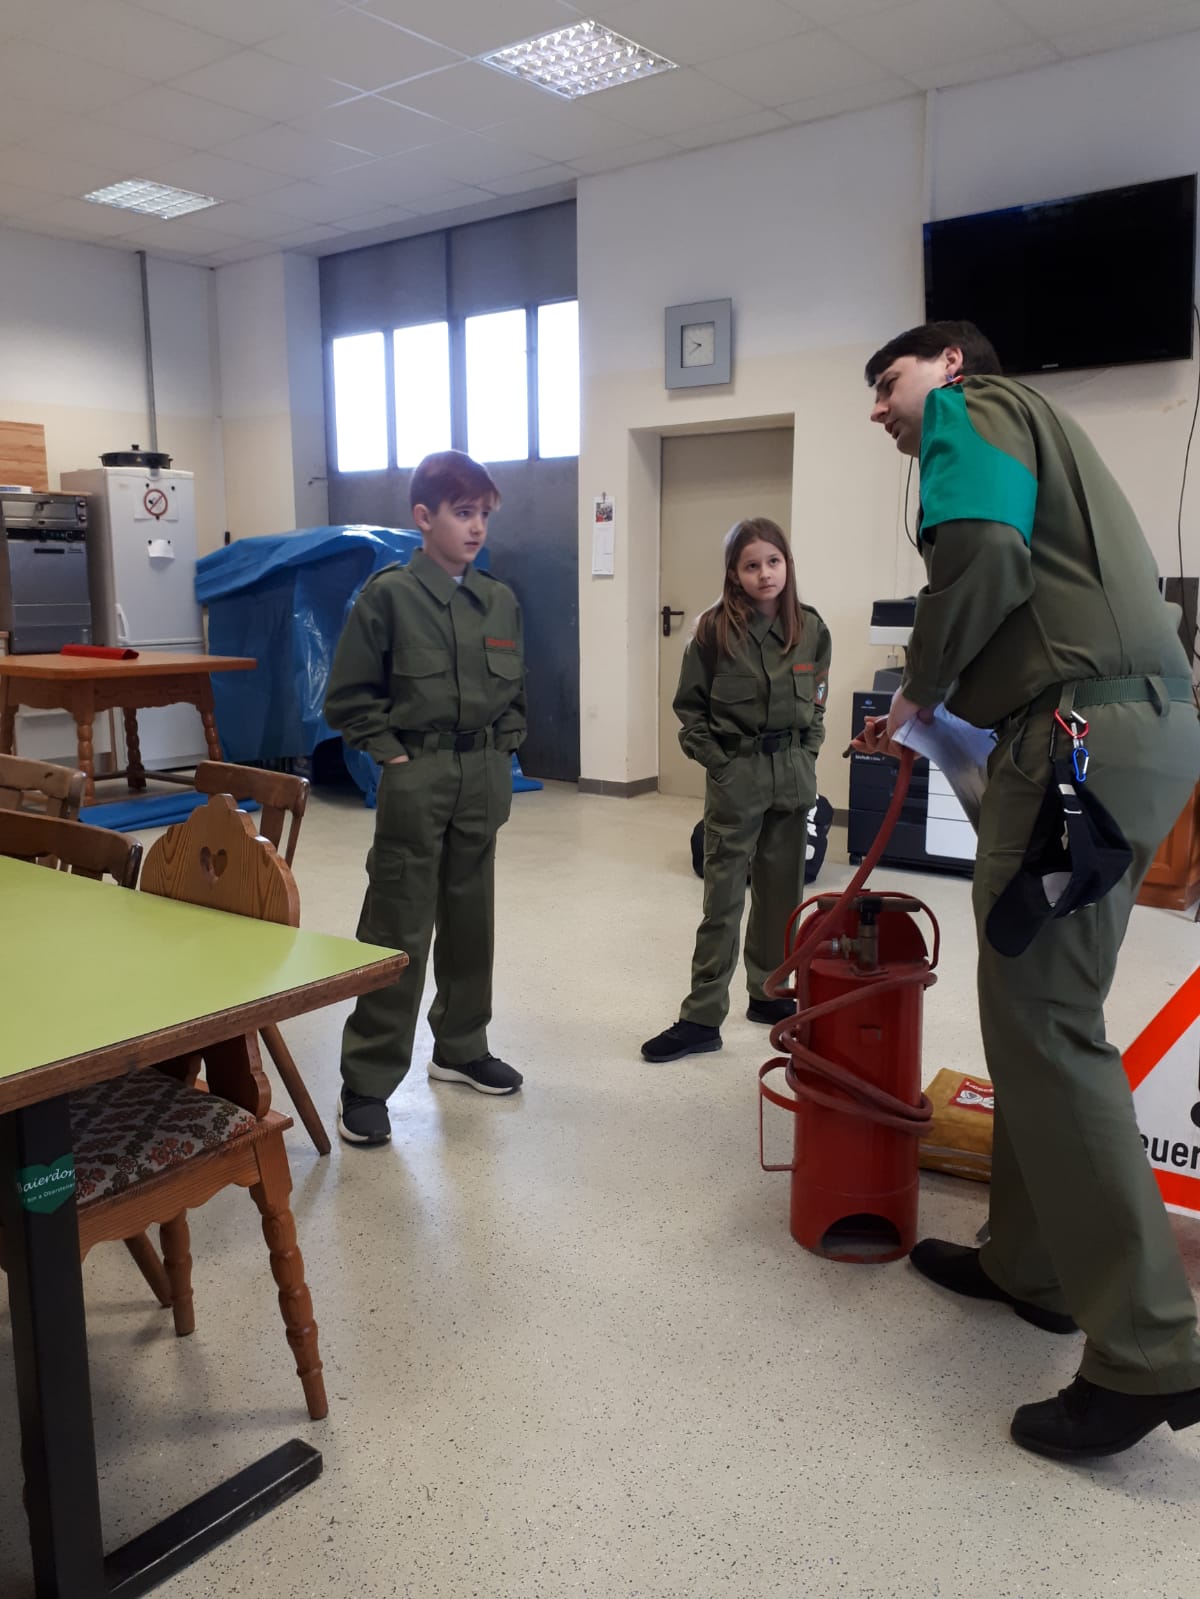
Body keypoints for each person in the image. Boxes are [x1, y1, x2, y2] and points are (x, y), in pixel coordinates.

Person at [857, 319, 1200, 1460]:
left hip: (1075, 741)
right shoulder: (1042, 433)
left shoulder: (976, 408)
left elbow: (986, 559)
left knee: (1045, 1023)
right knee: (1039, 1009)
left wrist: (918, 685)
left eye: (889, 381)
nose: (880, 408)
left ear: (951, 364)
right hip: (1130, 730)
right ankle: (1032, 1264)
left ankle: (1150, 1349)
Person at [324, 450, 526, 1146]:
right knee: (398, 925)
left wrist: (502, 749)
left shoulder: (499, 600)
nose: (476, 528)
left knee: (472, 921)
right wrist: (393, 755)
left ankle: (462, 1047)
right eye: (462, 513)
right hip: (418, 775)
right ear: (423, 517)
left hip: (482, 776)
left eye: (484, 514)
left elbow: (516, 693)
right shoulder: (388, 597)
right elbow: (348, 696)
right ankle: (367, 1079)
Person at [642, 518, 831, 1063]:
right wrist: (721, 766)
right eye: (751, 565)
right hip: (738, 777)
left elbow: (817, 702)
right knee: (722, 901)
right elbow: (689, 712)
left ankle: (768, 993)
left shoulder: (811, 629)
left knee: (782, 896)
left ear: (787, 564)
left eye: (774, 561)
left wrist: (807, 753)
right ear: (734, 573)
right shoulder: (712, 632)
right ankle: (701, 1017)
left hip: (792, 778)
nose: (765, 574)